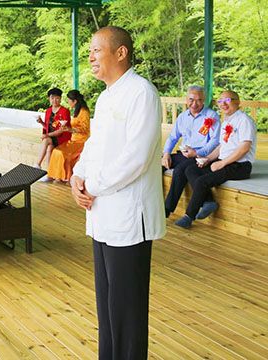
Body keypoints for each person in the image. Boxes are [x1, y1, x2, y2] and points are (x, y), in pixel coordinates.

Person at [70, 26, 166, 359]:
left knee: (127, 309)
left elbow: (136, 158)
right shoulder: (107, 95)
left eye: (97, 50)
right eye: (90, 51)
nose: (91, 57)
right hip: (102, 215)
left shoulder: (142, 93)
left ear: (120, 52)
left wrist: (93, 186)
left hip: (128, 217)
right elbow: (95, 145)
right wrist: (78, 175)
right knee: (108, 305)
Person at [174, 90, 257, 228]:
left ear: (237, 102)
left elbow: (244, 148)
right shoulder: (227, 121)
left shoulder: (244, 120)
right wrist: (207, 159)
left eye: (227, 100)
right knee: (191, 170)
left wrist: (222, 163)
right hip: (225, 162)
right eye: (220, 101)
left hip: (240, 166)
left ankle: (189, 216)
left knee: (202, 181)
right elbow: (221, 146)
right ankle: (209, 202)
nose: (223, 104)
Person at [163, 85, 220, 218]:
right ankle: (149, 203)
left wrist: (198, 153)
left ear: (204, 100)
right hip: (183, 153)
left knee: (179, 170)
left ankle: (166, 210)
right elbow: (172, 137)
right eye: (191, 99)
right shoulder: (183, 117)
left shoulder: (211, 116)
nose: (195, 103)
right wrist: (166, 153)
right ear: (186, 99)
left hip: (200, 155)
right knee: (157, 163)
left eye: (199, 100)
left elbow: (215, 141)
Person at [46, 89, 90, 183]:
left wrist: (69, 129)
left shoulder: (84, 112)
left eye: (69, 100)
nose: (68, 102)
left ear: (75, 101)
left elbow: (84, 129)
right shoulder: (76, 111)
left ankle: (62, 177)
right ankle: (54, 176)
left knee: (61, 152)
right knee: (56, 150)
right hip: (73, 139)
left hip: (81, 141)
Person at [35, 87, 71, 171]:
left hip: (61, 138)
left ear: (61, 98)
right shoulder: (48, 111)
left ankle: (38, 164)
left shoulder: (65, 111)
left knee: (47, 141)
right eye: (52, 98)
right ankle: (48, 173)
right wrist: (41, 122)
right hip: (51, 138)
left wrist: (47, 135)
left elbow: (61, 130)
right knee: (49, 145)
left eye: (57, 98)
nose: (55, 100)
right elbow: (48, 127)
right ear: (49, 99)